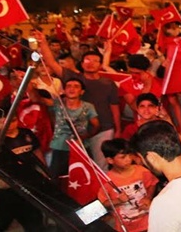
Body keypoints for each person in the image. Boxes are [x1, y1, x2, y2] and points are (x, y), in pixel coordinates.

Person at [33, 30, 121, 171]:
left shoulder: (108, 83)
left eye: (95, 61)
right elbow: (50, 62)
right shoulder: (73, 78)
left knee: (101, 166)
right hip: (78, 132)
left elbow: (114, 107)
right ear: (82, 63)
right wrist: (43, 42)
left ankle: (101, 192)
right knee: (81, 167)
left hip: (104, 129)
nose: (91, 63)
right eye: (87, 60)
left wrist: (117, 129)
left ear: (100, 65)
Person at [0, 106, 46, 232]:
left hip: (29, 186)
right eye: (4, 122)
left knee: (35, 221)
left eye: (13, 120)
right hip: (6, 191)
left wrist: (44, 173)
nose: (10, 124)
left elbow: (37, 152)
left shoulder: (26, 134)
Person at [98, 138, 158, 232]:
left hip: (148, 222)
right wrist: (118, 201)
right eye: (123, 157)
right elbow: (103, 203)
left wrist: (148, 197)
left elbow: (152, 183)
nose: (128, 159)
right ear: (110, 160)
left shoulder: (141, 171)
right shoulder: (107, 180)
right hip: (126, 227)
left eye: (129, 155)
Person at [45, 78, 100, 178]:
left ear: (82, 92)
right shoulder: (57, 103)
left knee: (83, 178)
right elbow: (36, 99)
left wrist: (84, 137)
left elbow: (96, 125)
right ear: (64, 90)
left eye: (76, 86)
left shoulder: (88, 106)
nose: (72, 89)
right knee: (55, 178)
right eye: (69, 86)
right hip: (59, 147)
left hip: (80, 147)